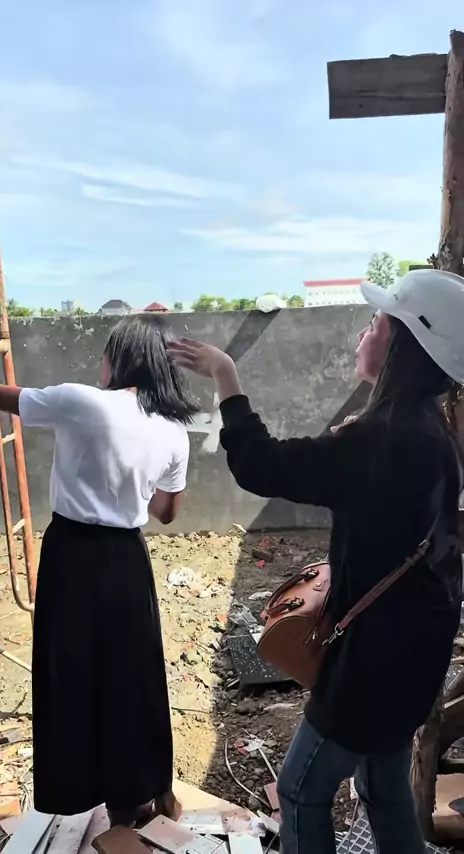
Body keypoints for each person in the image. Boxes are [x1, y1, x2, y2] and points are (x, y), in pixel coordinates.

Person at [169, 269, 464, 854]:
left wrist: (226, 376)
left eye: (376, 324)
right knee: (382, 786)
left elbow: (262, 465)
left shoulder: (385, 438)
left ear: (405, 344)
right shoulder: (429, 428)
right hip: (418, 650)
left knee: (301, 790)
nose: (363, 334)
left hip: (375, 662)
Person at [0, 314, 199, 826]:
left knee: (73, 671)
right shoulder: (174, 430)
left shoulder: (80, 402)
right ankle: (145, 794)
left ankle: (82, 788)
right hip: (127, 560)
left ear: (118, 359)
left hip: (72, 556)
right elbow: (167, 512)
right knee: (133, 674)